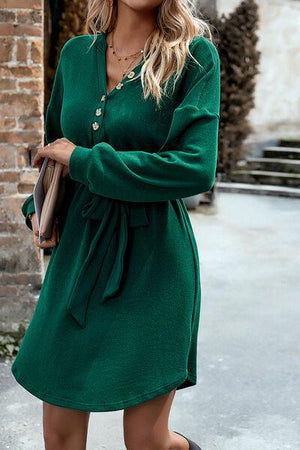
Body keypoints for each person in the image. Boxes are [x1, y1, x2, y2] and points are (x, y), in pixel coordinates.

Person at [11, 0, 220, 448]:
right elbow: (56, 154)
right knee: (60, 433)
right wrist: (39, 208)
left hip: (154, 259)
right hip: (78, 257)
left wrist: (87, 162)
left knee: (147, 440)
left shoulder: (194, 55)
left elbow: (195, 168)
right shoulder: (75, 55)